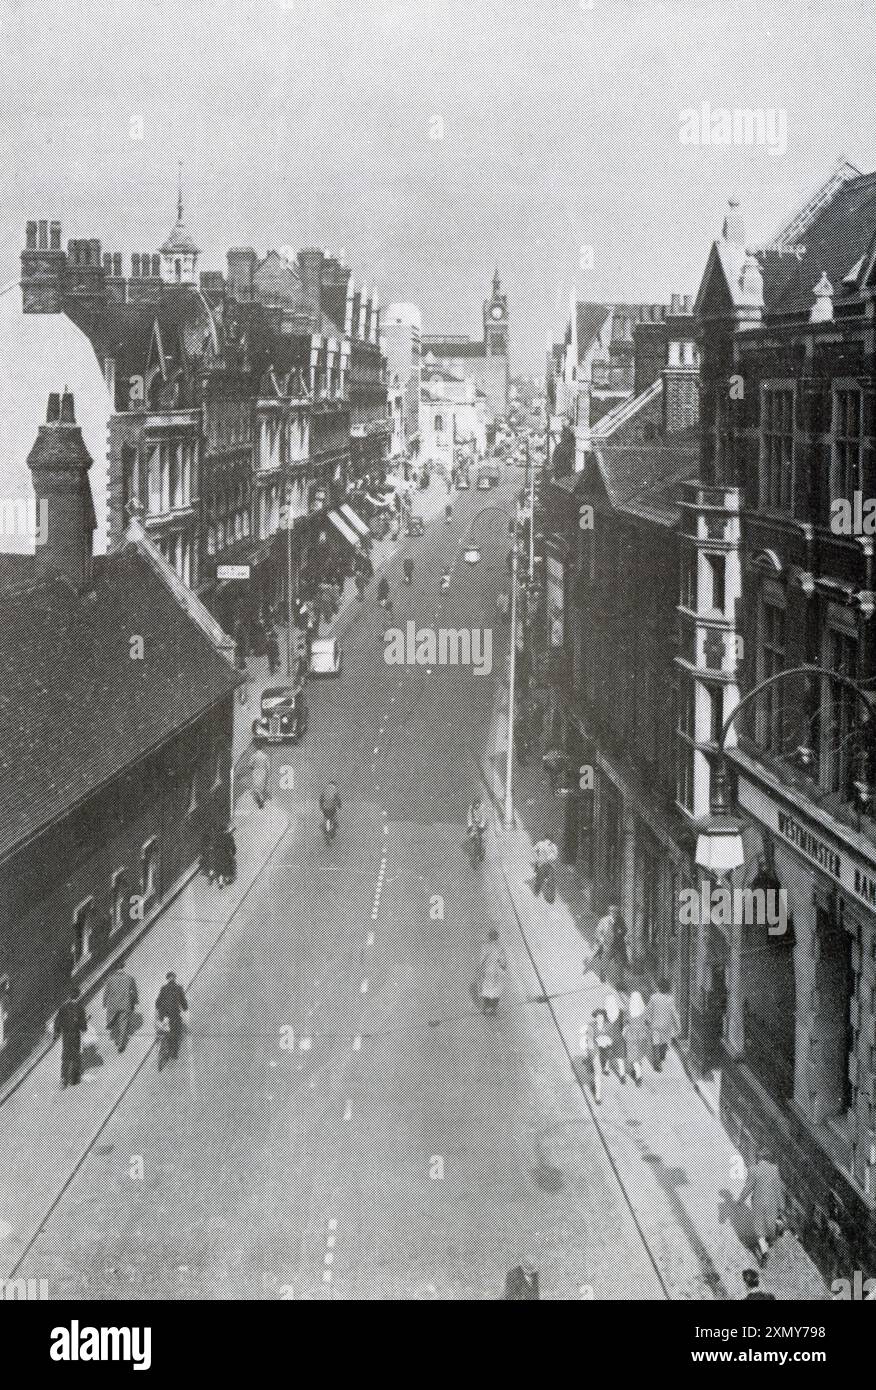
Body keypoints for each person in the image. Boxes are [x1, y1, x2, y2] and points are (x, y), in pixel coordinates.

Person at [737, 1148, 785, 1268]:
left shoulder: (753, 1170)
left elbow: (748, 1188)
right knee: (770, 1224)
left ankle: (764, 1252)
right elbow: (778, 1189)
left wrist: (740, 1200)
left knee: (759, 1230)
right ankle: (776, 1229)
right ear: (768, 1158)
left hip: (758, 1204)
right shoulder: (774, 1169)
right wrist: (781, 1205)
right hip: (772, 1203)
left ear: (758, 1158)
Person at [644, 977, 681, 1072]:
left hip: (655, 1025)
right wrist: (678, 1026)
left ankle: (657, 1064)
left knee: (655, 1044)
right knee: (664, 1042)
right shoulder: (670, 999)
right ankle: (662, 1055)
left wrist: (647, 1020)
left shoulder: (653, 997)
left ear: (659, 987)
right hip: (666, 1026)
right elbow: (674, 1014)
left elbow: (648, 1010)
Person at [54, 985, 88, 1088]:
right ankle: (74, 1078)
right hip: (75, 1035)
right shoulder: (80, 1008)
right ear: (78, 996)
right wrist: (84, 1027)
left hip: (66, 1035)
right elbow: (83, 1025)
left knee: (65, 1055)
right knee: (75, 1054)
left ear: (69, 996)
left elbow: (57, 1021)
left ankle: (63, 1079)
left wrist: (56, 1032)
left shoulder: (63, 1008)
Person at [103, 959, 138, 1054]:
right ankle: (121, 1044)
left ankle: (116, 1037)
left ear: (115, 968)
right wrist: (135, 1001)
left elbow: (106, 992)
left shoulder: (110, 978)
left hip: (113, 1005)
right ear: (123, 967)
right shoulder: (129, 978)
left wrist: (104, 1002)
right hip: (125, 1004)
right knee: (123, 1024)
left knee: (113, 1021)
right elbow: (134, 991)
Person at [155, 972, 188, 1070]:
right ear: (174, 978)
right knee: (176, 1032)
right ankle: (173, 1053)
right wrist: (185, 1008)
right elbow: (183, 1002)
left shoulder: (163, 988)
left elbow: (157, 1002)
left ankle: (164, 1043)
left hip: (163, 1014)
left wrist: (159, 1008)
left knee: (165, 1030)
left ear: (167, 979)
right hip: (174, 1014)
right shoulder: (179, 988)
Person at [477, 929, 507, 1016]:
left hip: (487, 971)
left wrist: (480, 968)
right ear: (497, 937)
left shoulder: (485, 946)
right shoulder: (500, 947)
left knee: (486, 988)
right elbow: (503, 961)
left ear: (489, 937)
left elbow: (482, 958)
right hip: (497, 972)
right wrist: (503, 966)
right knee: (496, 990)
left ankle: (485, 1008)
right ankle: (493, 1009)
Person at [622, 990, 649, 1086]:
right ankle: (636, 1071)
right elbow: (647, 1021)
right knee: (639, 1055)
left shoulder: (628, 1011)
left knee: (633, 1056)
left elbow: (625, 1021)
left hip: (631, 1036)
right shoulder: (644, 1011)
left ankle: (638, 1076)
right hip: (642, 1035)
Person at [604, 991, 626, 1084]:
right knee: (620, 1058)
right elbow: (623, 1025)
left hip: (608, 1038)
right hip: (618, 1037)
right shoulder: (620, 1012)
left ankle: (606, 1069)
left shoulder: (605, 1015)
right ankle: (622, 1075)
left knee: (608, 1054)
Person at [592, 906, 618, 984]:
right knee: (606, 959)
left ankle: (616, 978)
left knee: (616, 960)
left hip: (616, 943)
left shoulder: (619, 920)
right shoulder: (604, 920)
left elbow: (623, 929)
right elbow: (598, 931)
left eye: (615, 912)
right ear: (609, 912)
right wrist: (601, 940)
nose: (614, 914)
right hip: (606, 942)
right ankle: (603, 973)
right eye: (612, 912)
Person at [214, 823, 237, 888]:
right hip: (226, 853)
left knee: (219, 868)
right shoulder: (229, 836)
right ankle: (229, 877)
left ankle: (221, 882)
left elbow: (213, 845)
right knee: (231, 863)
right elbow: (233, 846)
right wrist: (233, 852)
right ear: (225, 829)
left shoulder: (216, 836)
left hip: (217, 854)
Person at [467, 797, 487, 864]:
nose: (476, 806)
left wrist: (481, 827)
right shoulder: (471, 807)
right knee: (472, 835)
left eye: (477, 804)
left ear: (479, 804)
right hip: (475, 822)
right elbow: (469, 816)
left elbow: (484, 818)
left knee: (482, 838)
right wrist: (470, 825)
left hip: (482, 823)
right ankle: (474, 849)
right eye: (475, 804)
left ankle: (482, 851)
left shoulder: (483, 808)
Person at [250, 745, 270, 809]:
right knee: (262, 786)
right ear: (262, 748)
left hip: (255, 771)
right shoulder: (265, 756)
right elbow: (268, 767)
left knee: (256, 785)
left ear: (256, 748)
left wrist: (253, 768)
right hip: (263, 771)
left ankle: (259, 800)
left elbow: (250, 765)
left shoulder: (254, 755)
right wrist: (268, 774)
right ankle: (261, 800)